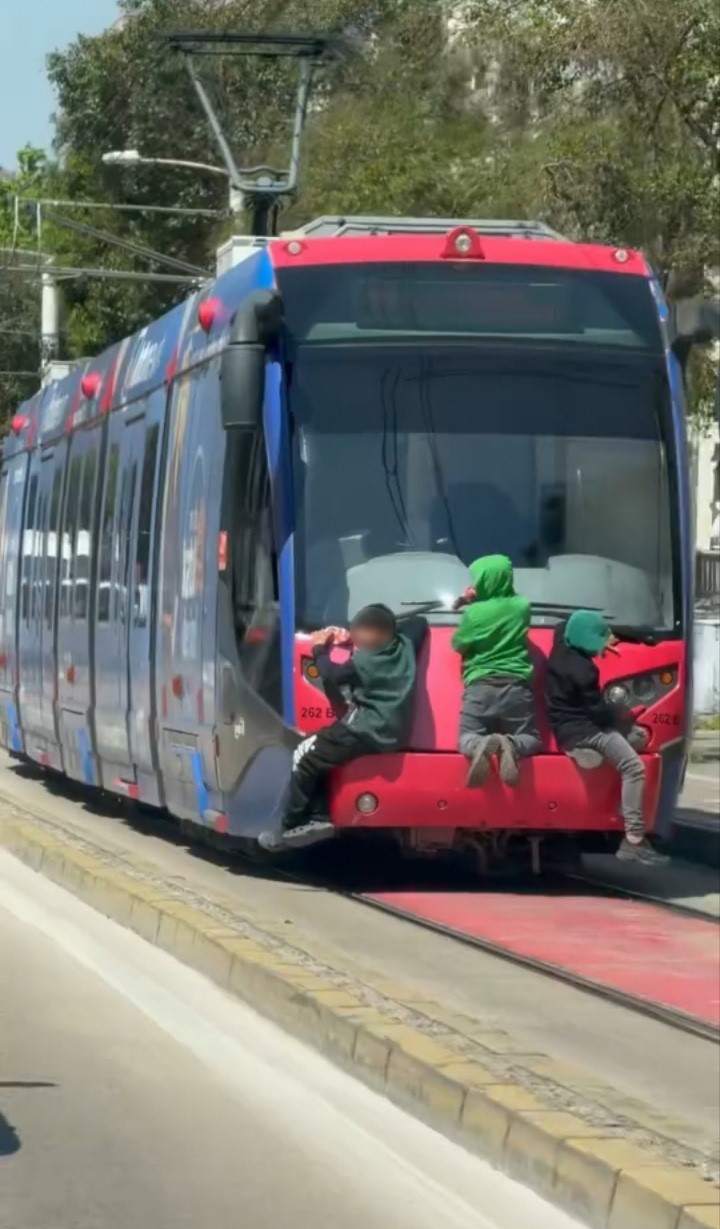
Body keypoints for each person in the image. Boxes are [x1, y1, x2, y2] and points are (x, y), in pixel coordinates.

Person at [258, 605, 426, 851]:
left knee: (304, 754)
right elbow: (419, 621)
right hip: (394, 731)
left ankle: (292, 825)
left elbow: (331, 674)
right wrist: (378, 630)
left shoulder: (364, 661)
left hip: (365, 729)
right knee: (322, 749)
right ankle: (319, 814)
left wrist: (319, 647)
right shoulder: (405, 645)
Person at [545, 609, 669, 866]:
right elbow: (599, 715)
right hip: (585, 731)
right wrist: (622, 716)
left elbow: (567, 623)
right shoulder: (584, 671)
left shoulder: (560, 646)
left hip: (564, 728)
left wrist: (601, 637)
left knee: (635, 738)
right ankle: (633, 839)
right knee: (633, 767)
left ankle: (604, 766)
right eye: (602, 637)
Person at [452, 554, 540, 788]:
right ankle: (510, 745)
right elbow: (509, 604)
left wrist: (465, 601)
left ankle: (478, 746)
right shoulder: (522, 606)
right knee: (531, 738)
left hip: (480, 687)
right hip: (516, 687)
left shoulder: (473, 613)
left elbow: (458, 644)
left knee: (465, 738)